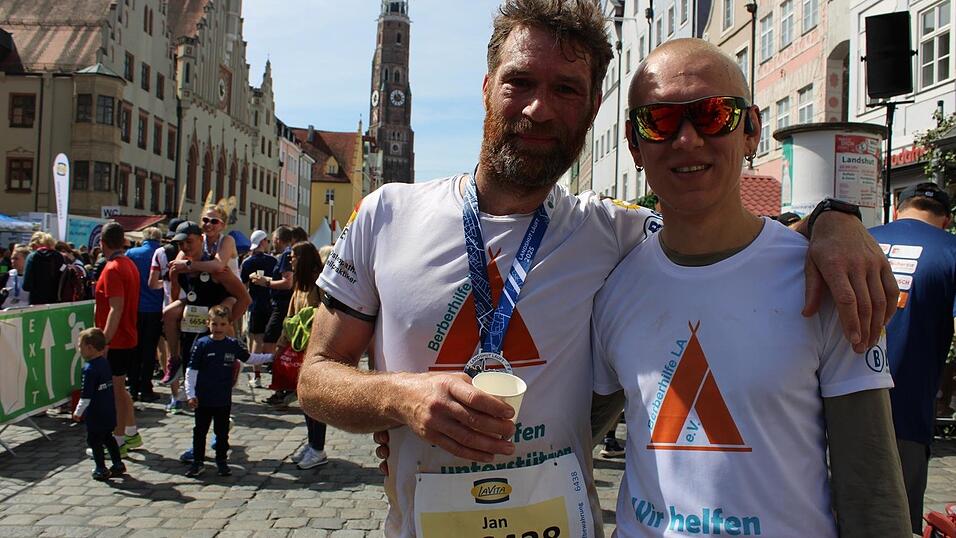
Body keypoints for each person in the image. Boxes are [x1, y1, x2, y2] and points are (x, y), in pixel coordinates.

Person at [296, 1, 896, 535]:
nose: (539, 107)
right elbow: (315, 378)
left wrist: (834, 220)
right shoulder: (386, 215)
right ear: (485, 87)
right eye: (520, 81)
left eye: (567, 89)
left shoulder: (613, 235)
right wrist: (397, 399)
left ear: (592, 110)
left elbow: (725, 246)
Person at [590, 38, 909, 536]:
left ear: (751, 130)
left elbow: (871, 489)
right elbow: (569, 434)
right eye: (660, 121)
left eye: (713, 115)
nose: (688, 140)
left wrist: (833, 217)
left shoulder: (826, 279)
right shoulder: (614, 286)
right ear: (634, 145)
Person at [869, 182, 956, 534]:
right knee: (894, 520)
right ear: (947, 220)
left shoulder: (857, 240)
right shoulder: (950, 251)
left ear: (896, 209)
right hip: (905, 413)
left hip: (825, 411)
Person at [165, 221, 250, 420]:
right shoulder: (179, 268)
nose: (185, 247)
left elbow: (244, 298)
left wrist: (225, 323)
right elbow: (176, 297)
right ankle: (173, 359)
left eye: (189, 242)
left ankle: (220, 433)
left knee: (216, 388)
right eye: (181, 244)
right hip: (192, 335)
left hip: (214, 336)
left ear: (201, 240)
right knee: (168, 313)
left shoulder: (216, 268)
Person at [183, 305, 270, 477]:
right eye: (214, 324)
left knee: (222, 432)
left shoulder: (232, 345)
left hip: (223, 399)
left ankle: (221, 462)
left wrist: (272, 356)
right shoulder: (202, 345)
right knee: (199, 431)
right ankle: (198, 462)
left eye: (222, 324)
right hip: (203, 398)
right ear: (208, 323)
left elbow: (249, 358)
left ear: (229, 325)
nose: (218, 328)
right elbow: (191, 371)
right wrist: (190, 394)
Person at [93, 222, 143, 456]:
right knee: (121, 389)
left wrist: (105, 340)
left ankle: (118, 439)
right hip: (126, 335)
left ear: (102, 244)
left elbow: (116, 307)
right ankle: (131, 432)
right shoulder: (128, 264)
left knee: (114, 391)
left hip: (118, 339)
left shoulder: (113, 268)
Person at [280, 241, 328, 470]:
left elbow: (330, 313)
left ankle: (318, 448)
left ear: (304, 258)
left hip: (316, 350)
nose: (290, 259)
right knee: (304, 400)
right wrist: (282, 342)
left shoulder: (320, 282)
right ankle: (312, 444)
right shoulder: (299, 283)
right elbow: (291, 313)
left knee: (315, 401)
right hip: (299, 349)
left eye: (293, 255)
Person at [72, 327, 126, 481]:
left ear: (90, 348)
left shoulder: (89, 370)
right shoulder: (104, 363)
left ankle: (100, 468)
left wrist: (78, 412)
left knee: (94, 441)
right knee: (108, 437)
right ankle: (117, 463)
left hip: (96, 413)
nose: (79, 350)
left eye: (80, 346)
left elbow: (86, 395)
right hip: (108, 409)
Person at [250, 225, 294, 406]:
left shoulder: (285, 255)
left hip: (281, 305)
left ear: (277, 240)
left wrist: (265, 282)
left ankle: (280, 379)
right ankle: (280, 382)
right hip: (282, 305)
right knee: (275, 342)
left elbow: (287, 282)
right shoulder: (289, 254)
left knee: (270, 342)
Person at [127, 227, 164, 402]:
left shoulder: (132, 253)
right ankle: (146, 387)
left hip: (135, 307)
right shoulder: (163, 253)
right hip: (155, 308)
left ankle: (133, 387)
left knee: (134, 349)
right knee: (150, 350)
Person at [239, 229, 276, 388]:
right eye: (267, 240)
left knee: (255, 339)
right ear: (262, 242)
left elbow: (243, 287)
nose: (268, 243)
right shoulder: (273, 261)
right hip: (271, 304)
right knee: (271, 340)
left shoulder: (247, 262)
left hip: (255, 304)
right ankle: (274, 374)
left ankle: (257, 376)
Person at [22, 232, 64, 305]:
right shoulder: (59, 256)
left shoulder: (32, 256)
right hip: (56, 302)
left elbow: (26, 286)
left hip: (36, 302)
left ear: (34, 245)